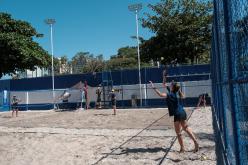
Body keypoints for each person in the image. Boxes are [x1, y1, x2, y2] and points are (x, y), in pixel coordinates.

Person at [149, 80, 199, 153]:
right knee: (186, 128)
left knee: (178, 133)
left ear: (172, 87)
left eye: (171, 84)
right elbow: (164, 84)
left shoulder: (170, 94)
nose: (170, 85)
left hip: (177, 114)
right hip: (182, 112)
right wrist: (163, 77)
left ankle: (182, 149)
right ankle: (195, 142)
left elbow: (160, 95)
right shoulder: (175, 91)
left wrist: (153, 87)